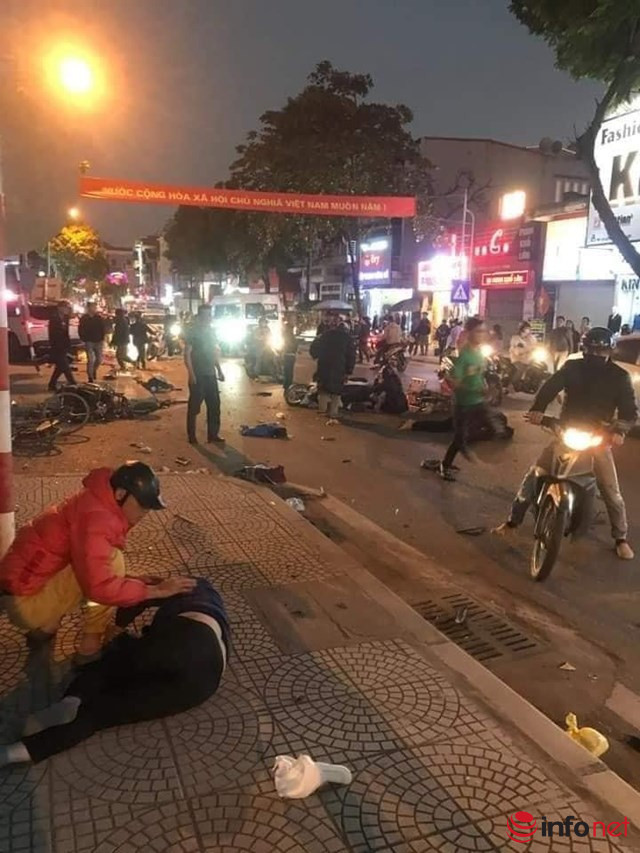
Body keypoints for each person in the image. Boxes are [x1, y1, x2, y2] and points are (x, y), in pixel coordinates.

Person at [0, 578, 229, 767]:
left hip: (188, 636)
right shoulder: (207, 603)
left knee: (106, 668)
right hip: (207, 678)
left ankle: (73, 699)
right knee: (100, 715)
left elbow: (136, 598)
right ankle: (19, 752)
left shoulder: (190, 585)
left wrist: (118, 629)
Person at [0, 462, 195, 656]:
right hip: (26, 604)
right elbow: (99, 586)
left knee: (98, 569)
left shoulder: (97, 500)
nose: (145, 513)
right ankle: (90, 644)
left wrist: (132, 580)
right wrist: (154, 591)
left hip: (23, 591)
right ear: (120, 494)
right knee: (111, 565)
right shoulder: (99, 520)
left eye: (149, 507)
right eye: (142, 505)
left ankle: (47, 627)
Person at [493, 327, 637, 560]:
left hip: (598, 438)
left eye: (600, 351)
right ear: (584, 349)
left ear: (609, 352)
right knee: (534, 476)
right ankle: (512, 522)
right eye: (591, 350)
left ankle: (620, 537)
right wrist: (538, 409)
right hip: (565, 431)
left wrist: (619, 430)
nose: (595, 355)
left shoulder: (619, 377)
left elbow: (629, 411)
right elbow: (550, 387)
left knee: (611, 492)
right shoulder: (572, 367)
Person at [424, 318, 495, 481]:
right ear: (469, 333)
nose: (483, 335)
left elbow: (479, 375)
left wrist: (484, 387)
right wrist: (474, 389)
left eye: (484, 331)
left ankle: (464, 446)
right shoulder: (465, 356)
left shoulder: (479, 354)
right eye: (479, 331)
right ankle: (446, 464)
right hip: (464, 404)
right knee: (459, 439)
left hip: (478, 402)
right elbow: (454, 382)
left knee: (492, 430)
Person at [184, 303, 225, 444]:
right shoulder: (193, 332)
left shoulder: (211, 332)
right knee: (194, 407)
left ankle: (213, 434)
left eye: (210, 315)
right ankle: (192, 436)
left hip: (210, 374)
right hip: (198, 375)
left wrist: (219, 370)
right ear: (200, 316)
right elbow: (187, 354)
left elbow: (213, 353)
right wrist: (191, 374)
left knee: (214, 405)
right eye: (206, 315)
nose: (209, 318)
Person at [309, 313, 356, 422]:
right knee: (336, 391)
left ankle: (322, 411)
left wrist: (316, 355)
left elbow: (314, 350)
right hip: (339, 367)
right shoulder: (347, 338)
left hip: (324, 365)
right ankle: (333, 413)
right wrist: (349, 371)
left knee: (323, 389)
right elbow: (351, 356)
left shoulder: (324, 335)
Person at [47, 301, 76, 391]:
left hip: (64, 345)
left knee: (60, 367)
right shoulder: (54, 318)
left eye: (68, 308)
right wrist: (54, 346)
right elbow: (52, 334)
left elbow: (66, 333)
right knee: (65, 367)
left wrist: (68, 346)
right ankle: (73, 383)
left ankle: (52, 384)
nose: (67, 309)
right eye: (65, 307)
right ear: (60, 308)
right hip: (57, 346)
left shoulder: (66, 318)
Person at [78, 301, 107, 383]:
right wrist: (83, 338)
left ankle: (94, 370)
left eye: (95, 307)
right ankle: (90, 376)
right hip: (89, 341)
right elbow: (80, 328)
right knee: (90, 360)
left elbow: (103, 328)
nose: (94, 308)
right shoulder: (84, 318)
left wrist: (103, 338)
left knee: (99, 359)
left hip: (99, 341)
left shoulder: (98, 318)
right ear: (88, 308)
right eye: (92, 307)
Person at [281, 317, 298, 389]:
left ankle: (287, 384)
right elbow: (291, 344)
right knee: (289, 371)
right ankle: (288, 385)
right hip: (289, 354)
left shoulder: (288, 333)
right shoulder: (289, 334)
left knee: (288, 370)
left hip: (288, 353)